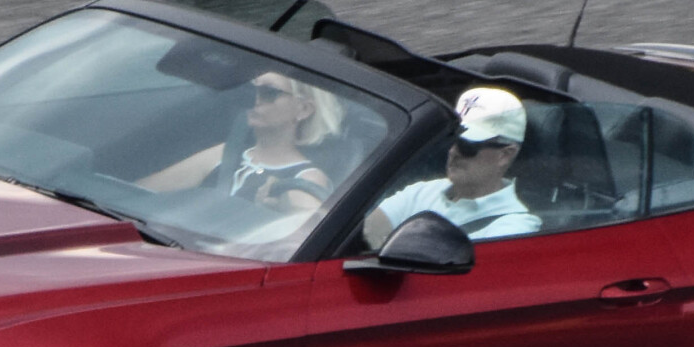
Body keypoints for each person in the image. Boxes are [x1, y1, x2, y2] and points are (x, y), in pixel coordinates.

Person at [139, 71, 347, 216]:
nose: (255, 99)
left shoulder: (307, 176)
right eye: (251, 90)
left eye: (269, 93)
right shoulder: (225, 152)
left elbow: (307, 216)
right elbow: (143, 193)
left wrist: (282, 204)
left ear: (303, 109)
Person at [365, 85, 541, 244]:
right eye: (453, 140)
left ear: (504, 155)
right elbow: (366, 232)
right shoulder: (422, 192)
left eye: (467, 146)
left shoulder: (516, 228)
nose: (453, 152)